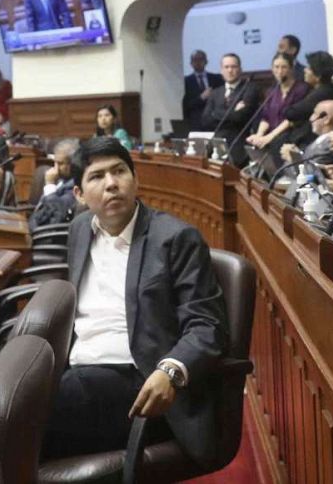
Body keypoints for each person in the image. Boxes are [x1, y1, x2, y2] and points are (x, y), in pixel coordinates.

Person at [41, 137, 228, 463]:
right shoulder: (80, 229)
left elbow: (207, 324)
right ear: (79, 195)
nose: (111, 184)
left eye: (119, 172)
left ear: (135, 179)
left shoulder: (175, 238)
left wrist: (170, 371)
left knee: (17, 412)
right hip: (78, 370)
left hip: (142, 380)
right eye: (97, 176)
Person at [244, 53, 309, 156]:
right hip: (271, 136)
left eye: (284, 67)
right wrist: (259, 136)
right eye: (276, 67)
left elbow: (292, 119)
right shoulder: (272, 91)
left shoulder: (301, 89)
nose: (279, 71)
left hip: (289, 136)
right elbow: (266, 118)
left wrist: (269, 137)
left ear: (291, 69)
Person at [201, 53, 257, 166]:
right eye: (226, 67)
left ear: (240, 69)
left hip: (239, 148)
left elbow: (240, 117)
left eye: (233, 67)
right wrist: (233, 111)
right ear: (221, 70)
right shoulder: (215, 93)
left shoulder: (249, 89)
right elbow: (205, 120)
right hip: (216, 147)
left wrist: (215, 113)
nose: (230, 70)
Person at [32, 138, 82, 228]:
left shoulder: (76, 187)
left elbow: (58, 213)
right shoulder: (60, 180)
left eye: (60, 163)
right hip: (35, 226)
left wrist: (50, 185)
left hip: (45, 235)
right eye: (55, 162)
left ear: (73, 164)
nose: (56, 168)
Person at [182, 50, 216, 129]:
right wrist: (201, 98)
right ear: (191, 63)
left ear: (206, 61)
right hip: (196, 123)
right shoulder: (186, 81)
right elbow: (186, 105)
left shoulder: (216, 78)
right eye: (195, 60)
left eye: (200, 59)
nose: (198, 62)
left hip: (214, 121)